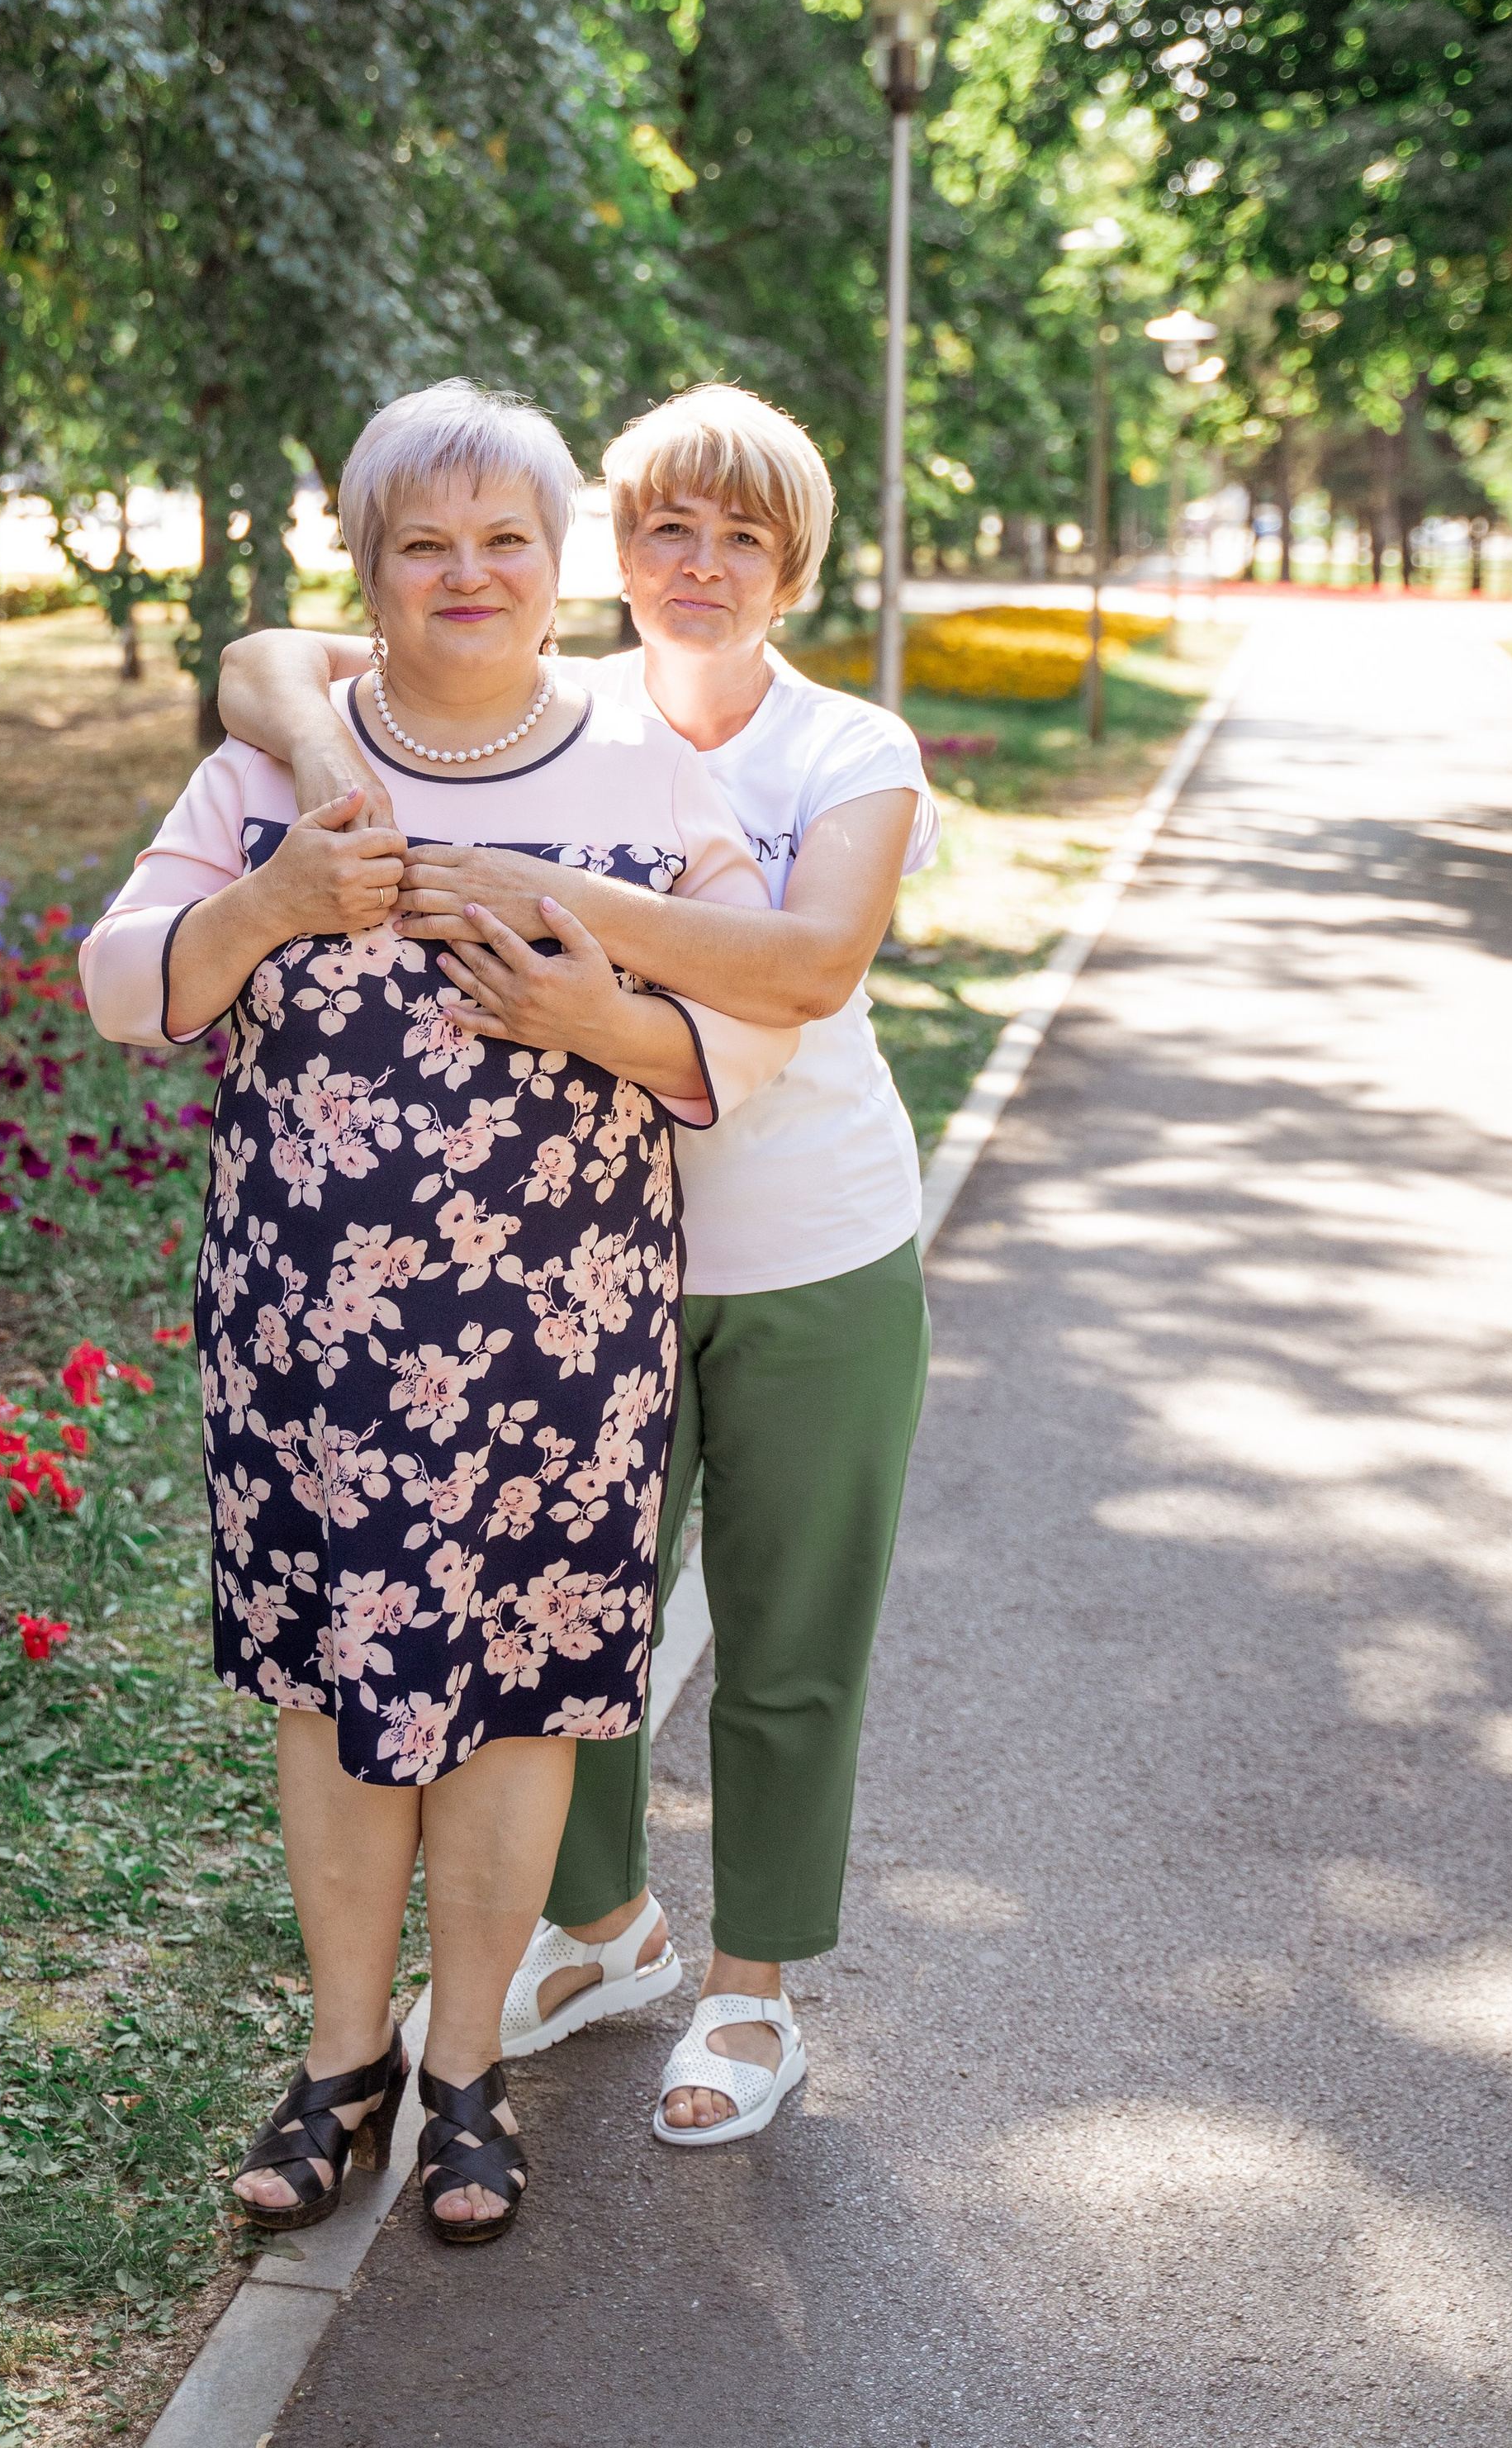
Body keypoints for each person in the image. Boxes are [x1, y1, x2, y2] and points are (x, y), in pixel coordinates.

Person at [82, 380, 790, 2243]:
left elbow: (755, 1024)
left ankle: (465, 2068)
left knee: (519, 1705)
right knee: (328, 1694)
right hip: (309, 1344)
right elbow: (116, 983)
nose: (464, 573)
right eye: (423, 543)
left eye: (501, 540)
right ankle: (340, 2063)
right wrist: (273, 904)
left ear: (554, 564)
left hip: (560, 1344)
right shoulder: (268, 777)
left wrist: (598, 1018)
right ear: (367, 567)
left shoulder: (645, 778)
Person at [218, 380, 938, 2145]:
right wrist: (325, 766)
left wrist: (551, 908)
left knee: (780, 1634)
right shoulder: (549, 685)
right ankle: (603, 1930)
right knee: (558, 1630)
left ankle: (752, 1993)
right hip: (568, 1268)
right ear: (607, 551)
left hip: (802, 1252)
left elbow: (809, 964)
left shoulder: (846, 751)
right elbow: (262, 658)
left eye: (741, 538)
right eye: (664, 529)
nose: (697, 565)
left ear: (792, 569)